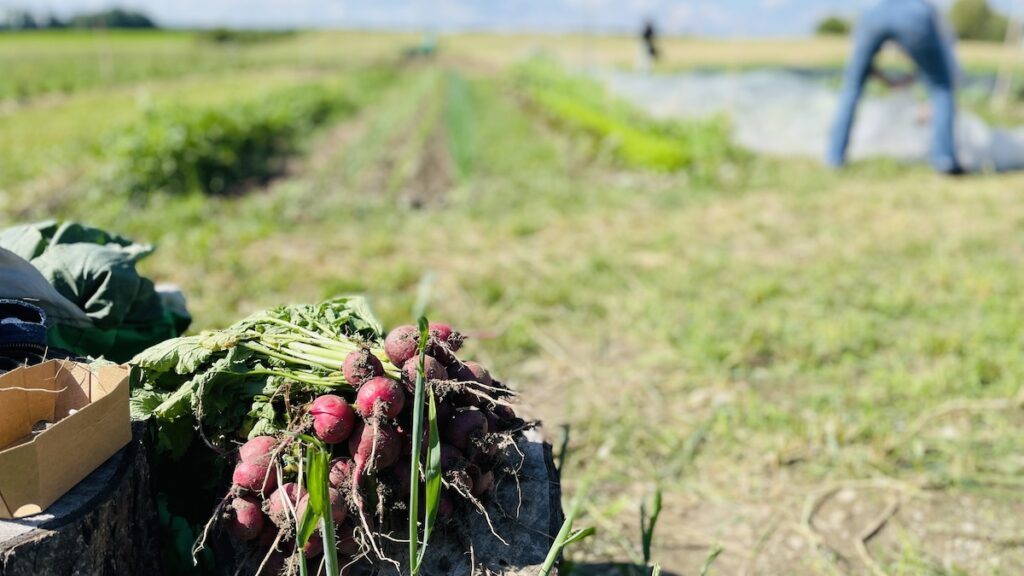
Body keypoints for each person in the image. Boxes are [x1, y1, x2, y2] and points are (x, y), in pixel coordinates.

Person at [827, 0, 963, 174]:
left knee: (852, 87)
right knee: (941, 88)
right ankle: (944, 159)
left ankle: (834, 157)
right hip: (915, 13)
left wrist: (881, 76)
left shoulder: (872, 11)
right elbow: (944, 67)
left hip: (875, 12)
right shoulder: (928, 12)